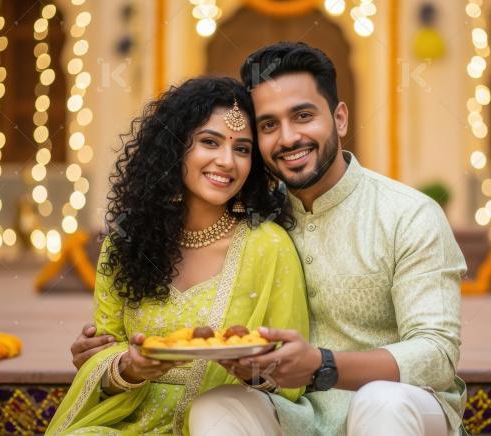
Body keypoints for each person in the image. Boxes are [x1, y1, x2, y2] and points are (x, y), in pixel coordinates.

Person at [72, 42, 468, 436]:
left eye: (303, 116)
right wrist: (107, 362)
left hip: (402, 409)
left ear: (340, 118)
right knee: (217, 406)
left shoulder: (407, 214)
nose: (288, 137)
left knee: (380, 400)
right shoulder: (256, 216)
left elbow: (437, 354)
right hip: (297, 415)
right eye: (268, 125)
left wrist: (323, 365)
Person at [47, 76, 309, 436]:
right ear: (175, 147)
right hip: (123, 425)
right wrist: (128, 368)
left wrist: (253, 373)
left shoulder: (268, 246)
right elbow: (99, 358)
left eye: (243, 149)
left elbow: (291, 384)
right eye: (209, 142)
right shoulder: (127, 240)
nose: (226, 161)